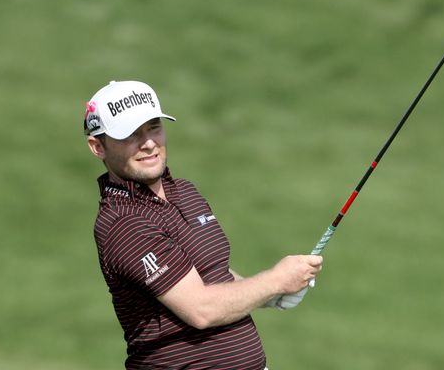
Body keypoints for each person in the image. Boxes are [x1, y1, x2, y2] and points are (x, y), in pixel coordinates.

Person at [84, 80, 323, 369]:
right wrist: (275, 280)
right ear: (98, 146)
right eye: (130, 135)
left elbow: (212, 275)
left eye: (154, 127)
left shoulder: (185, 192)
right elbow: (200, 309)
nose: (148, 143)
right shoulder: (124, 224)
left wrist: (268, 295)